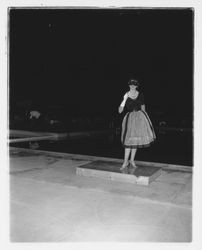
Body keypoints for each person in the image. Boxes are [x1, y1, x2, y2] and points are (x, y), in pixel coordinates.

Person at [118, 78, 156, 171]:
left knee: (136, 141)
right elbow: (120, 111)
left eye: (134, 84)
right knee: (128, 141)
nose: (132, 86)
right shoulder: (126, 95)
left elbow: (143, 107)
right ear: (129, 85)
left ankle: (132, 160)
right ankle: (125, 162)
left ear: (137, 86)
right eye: (131, 84)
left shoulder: (141, 95)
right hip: (130, 119)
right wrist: (124, 99)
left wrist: (146, 120)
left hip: (140, 118)